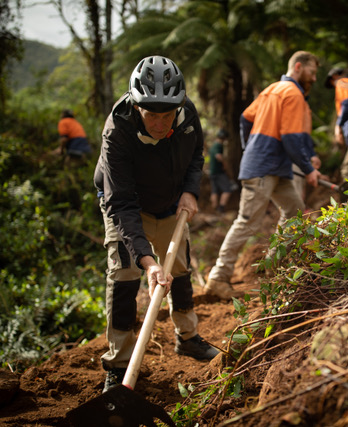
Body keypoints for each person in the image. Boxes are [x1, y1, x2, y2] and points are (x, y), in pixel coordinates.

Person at [93, 55, 219, 392]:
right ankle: (119, 364)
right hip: (126, 204)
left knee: (179, 268)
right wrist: (148, 262)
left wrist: (190, 191)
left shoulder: (187, 113)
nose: (161, 124)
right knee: (124, 274)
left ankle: (187, 338)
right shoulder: (117, 130)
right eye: (152, 115)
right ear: (136, 107)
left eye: (167, 115)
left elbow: (196, 154)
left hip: (170, 201)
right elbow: (120, 202)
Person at [205, 50, 322, 299]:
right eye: (312, 72)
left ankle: (274, 265)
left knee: (295, 213)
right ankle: (218, 277)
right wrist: (309, 169)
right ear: (298, 67)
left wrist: (250, 147)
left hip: (276, 168)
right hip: (262, 168)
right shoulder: (292, 93)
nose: (314, 78)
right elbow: (291, 138)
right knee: (247, 223)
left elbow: (245, 118)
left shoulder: (272, 89)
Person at [208, 128, 238, 213]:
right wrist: (224, 164)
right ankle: (221, 208)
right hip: (219, 172)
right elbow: (218, 156)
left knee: (214, 191)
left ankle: (214, 209)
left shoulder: (213, 145)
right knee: (228, 189)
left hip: (212, 172)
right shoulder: (218, 145)